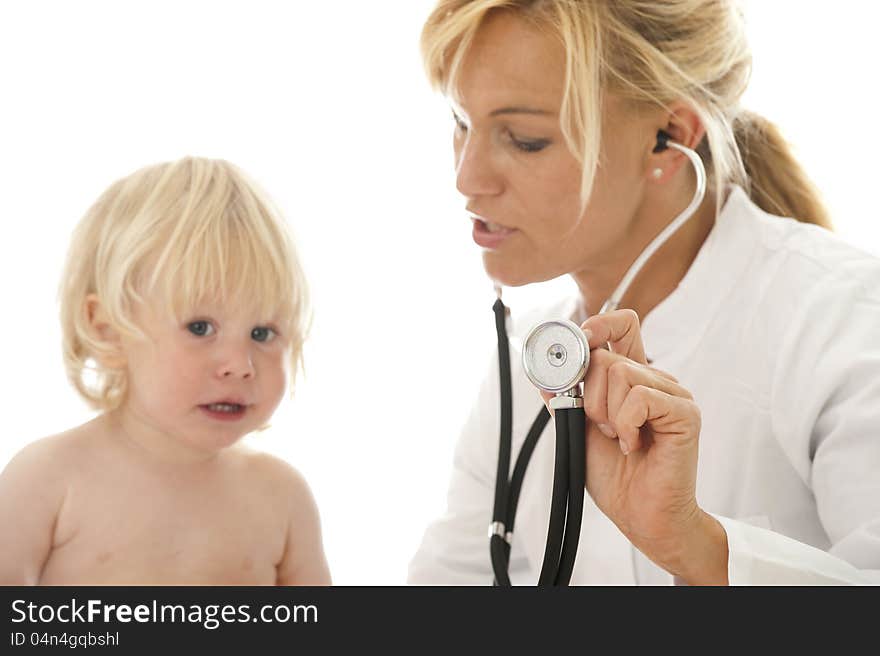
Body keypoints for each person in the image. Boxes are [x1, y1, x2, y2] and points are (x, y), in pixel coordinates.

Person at [408, 0, 880, 585]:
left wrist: (699, 547)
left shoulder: (847, 320)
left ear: (668, 138)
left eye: (525, 140)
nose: (467, 178)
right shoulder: (528, 365)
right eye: (461, 121)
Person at [0, 157, 331, 585]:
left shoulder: (282, 499)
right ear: (109, 332)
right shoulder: (49, 479)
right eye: (200, 328)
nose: (240, 366)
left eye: (263, 333)